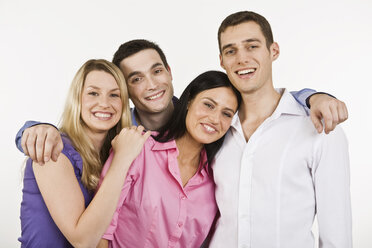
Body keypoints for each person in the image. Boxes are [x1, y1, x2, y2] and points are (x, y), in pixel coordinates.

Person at [15, 40, 348, 165]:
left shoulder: (204, 118)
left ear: (170, 72)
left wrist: (312, 97)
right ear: (125, 89)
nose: (151, 84)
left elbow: (258, 105)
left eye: (157, 70)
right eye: (135, 78)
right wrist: (35, 128)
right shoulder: (119, 134)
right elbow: (75, 138)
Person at [209, 11, 351, 247]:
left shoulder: (321, 129)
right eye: (231, 51)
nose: (241, 59)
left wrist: (314, 97)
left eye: (252, 46)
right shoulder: (214, 129)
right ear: (222, 61)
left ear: (273, 51)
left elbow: (337, 235)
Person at [97, 70, 241, 248]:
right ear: (189, 101)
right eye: (208, 105)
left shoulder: (218, 178)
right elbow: (100, 230)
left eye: (226, 114)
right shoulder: (138, 149)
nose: (214, 119)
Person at [19, 59, 151, 247]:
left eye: (114, 95)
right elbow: (84, 241)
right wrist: (122, 160)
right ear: (77, 98)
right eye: (93, 93)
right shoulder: (53, 152)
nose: (104, 103)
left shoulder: (113, 152)